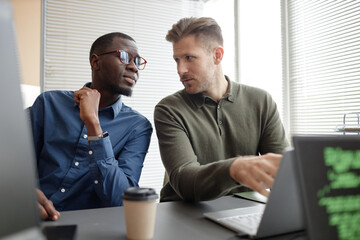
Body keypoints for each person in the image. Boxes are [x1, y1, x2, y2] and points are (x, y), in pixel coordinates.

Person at [154, 17, 288, 203]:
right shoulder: (169, 109)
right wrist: (234, 168)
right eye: (177, 60)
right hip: (184, 214)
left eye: (189, 58)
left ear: (217, 55)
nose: (180, 69)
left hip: (243, 210)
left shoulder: (261, 101)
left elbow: (282, 171)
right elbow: (184, 180)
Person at [30, 32, 153, 221]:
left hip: (89, 228)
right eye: (125, 57)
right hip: (31, 218)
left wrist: (93, 124)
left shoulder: (138, 127)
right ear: (96, 62)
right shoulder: (48, 104)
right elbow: (12, 164)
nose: (134, 67)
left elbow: (121, 200)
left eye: (137, 61)